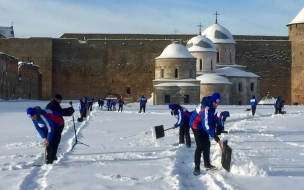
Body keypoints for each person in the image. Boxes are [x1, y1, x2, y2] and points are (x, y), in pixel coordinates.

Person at [189, 92, 221, 175]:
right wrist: (214, 135)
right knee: (200, 146)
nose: (216, 105)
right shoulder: (205, 108)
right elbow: (205, 124)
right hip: (196, 125)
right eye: (215, 103)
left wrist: (214, 123)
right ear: (212, 101)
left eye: (218, 103)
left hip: (202, 125)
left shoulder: (211, 104)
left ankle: (207, 164)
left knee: (207, 144)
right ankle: (196, 168)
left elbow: (210, 118)